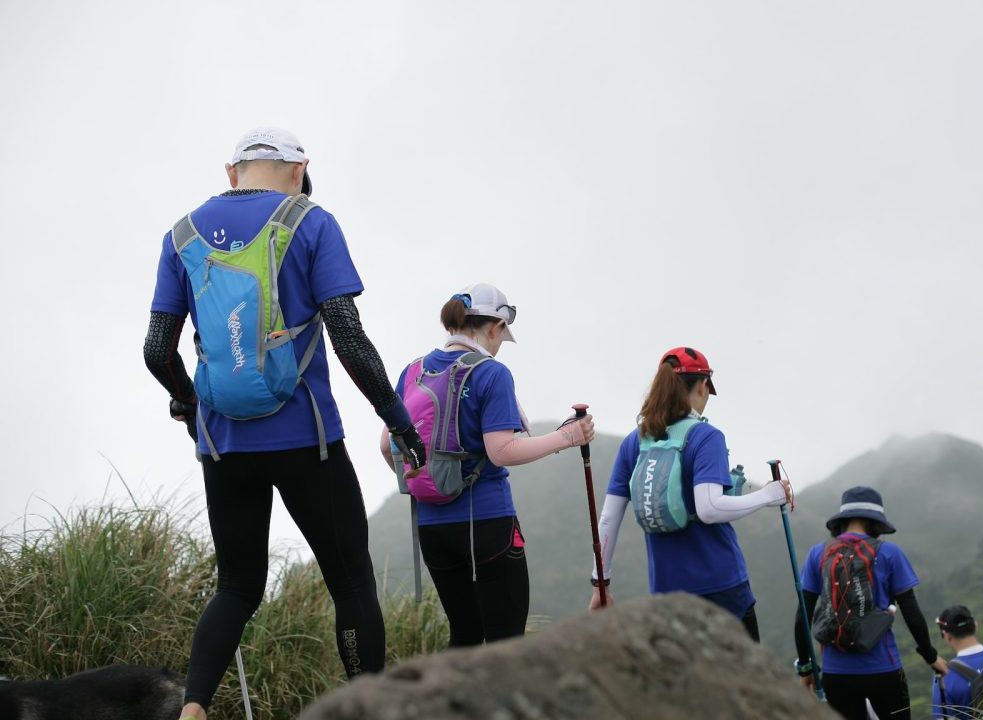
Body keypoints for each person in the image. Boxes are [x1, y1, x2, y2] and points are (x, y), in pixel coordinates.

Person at [144, 127, 425, 720]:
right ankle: (367, 710)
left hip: (223, 444)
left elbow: (156, 348)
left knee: (236, 589)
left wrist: (189, 403)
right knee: (350, 587)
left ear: (232, 172)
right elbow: (349, 337)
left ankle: (192, 710)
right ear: (299, 170)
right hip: (309, 440)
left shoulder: (181, 236)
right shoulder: (312, 222)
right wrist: (397, 419)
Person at [380, 283, 595, 647]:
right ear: (494, 327)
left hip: (432, 527)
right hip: (487, 522)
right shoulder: (491, 373)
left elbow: (387, 445)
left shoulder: (412, 371)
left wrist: (429, 481)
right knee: (505, 643)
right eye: (501, 335)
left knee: (463, 635)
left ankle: (452, 705)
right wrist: (568, 438)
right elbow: (502, 451)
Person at [586, 347, 793, 641]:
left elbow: (608, 518)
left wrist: (600, 585)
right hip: (722, 587)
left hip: (667, 592)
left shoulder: (636, 441)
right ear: (702, 386)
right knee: (742, 682)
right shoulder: (705, 436)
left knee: (688, 684)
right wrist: (768, 495)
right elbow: (709, 508)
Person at [794, 486, 948, 720]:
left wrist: (806, 667)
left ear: (843, 520)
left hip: (836, 673)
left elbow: (802, 617)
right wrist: (931, 656)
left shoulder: (818, 553)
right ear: (875, 521)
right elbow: (912, 614)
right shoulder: (889, 553)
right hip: (883, 669)